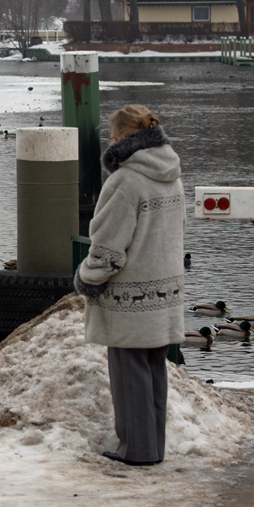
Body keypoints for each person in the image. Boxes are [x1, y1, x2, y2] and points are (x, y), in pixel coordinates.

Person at [74, 104, 185, 467]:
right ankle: (153, 446)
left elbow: (107, 248)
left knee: (128, 374)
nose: (109, 140)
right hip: (165, 290)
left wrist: (86, 279)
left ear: (123, 138)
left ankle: (135, 450)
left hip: (129, 295)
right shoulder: (172, 173)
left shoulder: (125, 181)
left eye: (112, 135)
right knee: (154, 370)